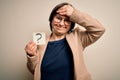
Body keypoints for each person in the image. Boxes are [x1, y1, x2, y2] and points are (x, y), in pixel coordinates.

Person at [25, 2, 105, 80]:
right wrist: (31, 56)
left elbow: (99, 29)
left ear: (71, 24)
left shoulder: (78, 37)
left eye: (67, 20)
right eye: (58, 18)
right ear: (51, 20)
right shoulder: (41, 41)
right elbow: (35, 71)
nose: (61, 24)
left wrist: (74, 14)